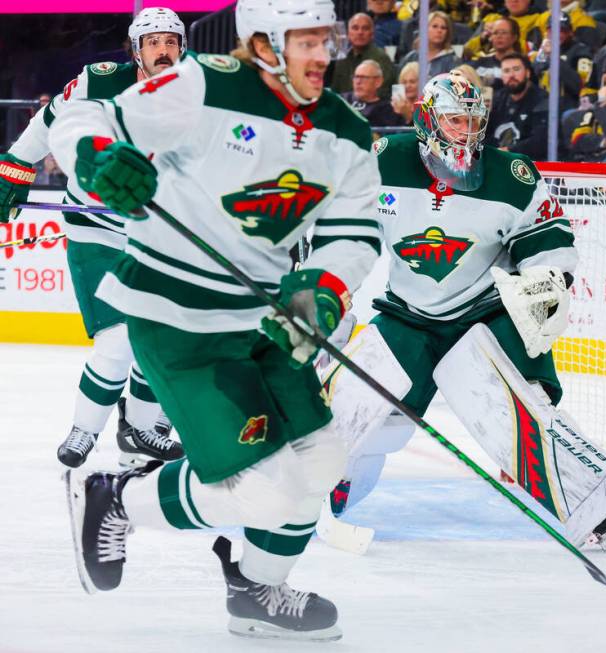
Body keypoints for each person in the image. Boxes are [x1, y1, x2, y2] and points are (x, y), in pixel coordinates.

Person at [49, 0, 383, 639]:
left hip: (265, 320)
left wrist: (321, 288)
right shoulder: (201, 85)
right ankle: (116, 498)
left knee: (320, 462)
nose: (322, 55)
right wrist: (93, 154)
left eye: (325, 40)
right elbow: (87, 115)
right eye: (304, 41)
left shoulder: (343, 128)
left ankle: (256, 590)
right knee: (268, 486)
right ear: (262, 43)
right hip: (178, 319)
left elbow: (355, 229)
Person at [316, 71, 606, 551]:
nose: (466, 133)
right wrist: (328, 298)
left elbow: (549, 244)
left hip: (484, 315)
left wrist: (544, 287)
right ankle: (316, 484)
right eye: (454, 121)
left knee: (516, 407)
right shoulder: (382, 163)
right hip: (408, 315)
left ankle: (604, 504)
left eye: (473, 121)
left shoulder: (511, 175)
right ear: (427, 120)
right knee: (356, 401)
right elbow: (344, 235)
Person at [0, 7, 186, 468]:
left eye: (170, 41)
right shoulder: (100, 82)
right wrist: (15, 167)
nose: (163, 50)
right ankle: (85, 430)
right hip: (97, 228)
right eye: (153, 42)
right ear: (136, 49)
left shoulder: (202, 92)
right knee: (119, 337)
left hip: (157, 235)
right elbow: (48, 121)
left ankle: (140, 429)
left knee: (160, 336)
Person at [487, 53, 548, 158]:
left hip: (528, 164)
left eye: (516, 69)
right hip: (496, 160)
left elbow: (540, 141)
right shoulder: (497, 98)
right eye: (506, 71)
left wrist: (508, 151)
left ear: (527, 73)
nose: (511, 75)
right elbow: (485, 135)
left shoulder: (542, 99)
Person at [530, 12, 592, 110]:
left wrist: (553, 57)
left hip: (568, 107)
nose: (556, 34)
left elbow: (579, 86)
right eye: (552, 30)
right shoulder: (541, 51)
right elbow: (531, 79)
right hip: (540, 105)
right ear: (546, 31)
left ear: (570, 32)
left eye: (562, 30)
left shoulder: (581, 51)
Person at [329, 13, 395, 96]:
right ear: (348, 34)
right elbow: (335, 91)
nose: (360, 32)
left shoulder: (381, 59)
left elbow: (383, 94)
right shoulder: (342, 59)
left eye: (365, 28)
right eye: (355, 28)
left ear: (372, 34)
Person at [398, 11, 463, 78]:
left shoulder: (453, 60)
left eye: (443, 28)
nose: (439, 30)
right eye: (435, 26)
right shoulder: (411, 58)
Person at [344, 60, 403, 127]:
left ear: (378, 82)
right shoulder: (343, 99)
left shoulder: (387, 109)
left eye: (363, 77)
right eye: (356, 77)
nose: (358, 82)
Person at [471, 17, 522, 88]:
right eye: (495, 33)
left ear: (514, 37)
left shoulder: (522, 65)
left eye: (503, 33)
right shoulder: (480, 63)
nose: (499, 36)